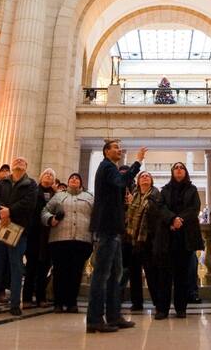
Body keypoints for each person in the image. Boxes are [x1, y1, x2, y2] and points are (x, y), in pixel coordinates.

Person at [86, 139, 146, 333]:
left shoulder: (109, 168)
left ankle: (113, 316)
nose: (119, 149)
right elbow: (121, 181)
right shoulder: (107, 167)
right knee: (102, 275)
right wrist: (137, 162)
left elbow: (117, 189)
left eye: (120, 147)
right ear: (105, 151)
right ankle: (95, 319)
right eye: (115, 147)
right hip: (107, 228)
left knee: (115, 274)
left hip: (114, 228)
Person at [0, 157, 38, 316]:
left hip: (18, 229)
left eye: (22, 161)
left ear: (26, 167)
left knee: (16, 267)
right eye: (16, 161)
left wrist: (9, 211)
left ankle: (15, 304)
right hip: (0, 227)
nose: (19, 162)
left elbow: (29, 203)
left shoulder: (31, 184)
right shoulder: (1, 183)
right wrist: (2, 214)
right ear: (12, 166)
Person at [43, 172, 94, 313]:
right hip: (59, 239)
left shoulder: (89, 197)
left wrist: (94, 237)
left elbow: (95, 217)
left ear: (81, 182)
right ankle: (58, 302)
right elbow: (45, 211)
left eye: (77, 178)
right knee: (60, 271)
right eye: (71, 178)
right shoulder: (58, 196)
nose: (74, 179)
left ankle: (72, 302)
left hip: (82, 240)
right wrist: (51, 219)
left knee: (76, 272)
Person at [159, 162, 203, 319]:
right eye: (176, 168)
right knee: (165, 274)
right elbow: (161, 208)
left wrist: (179, 220)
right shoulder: (164, 190)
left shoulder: (192, 190)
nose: (178, 170)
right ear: (172, 172)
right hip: (168, 236)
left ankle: (181, 308)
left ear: (185, 172)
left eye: (181, 168)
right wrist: (172, 219)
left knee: (182, 274)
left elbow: (194, 208)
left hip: (186, 236)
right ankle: (162, 309)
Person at [124, 171, 167, 317]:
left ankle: (158, 304)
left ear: (152, 180)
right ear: (138, 181)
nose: (145, 177)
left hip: (149, 238)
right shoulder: (133, 196)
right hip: (132, 239)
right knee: (134, 273)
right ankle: (137, 303)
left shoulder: (157, 195)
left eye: (147, 176)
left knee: (152, 273)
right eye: (142, 176)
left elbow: (158, 215)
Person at [23, 168, 58, 308]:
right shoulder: (33, 191)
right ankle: (26, 298)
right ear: (41, 177)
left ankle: (41, 297)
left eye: (51, 174)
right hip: (33, 234)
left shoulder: (56, 195)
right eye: (46, 174)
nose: (48, 176)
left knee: (44, 269)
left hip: (49, 236)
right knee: (31, 267)